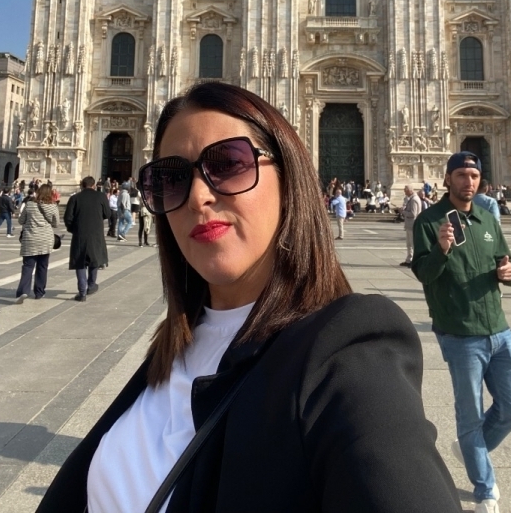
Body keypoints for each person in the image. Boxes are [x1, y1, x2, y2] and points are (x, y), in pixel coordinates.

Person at [37, 82, 461, 513]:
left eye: (228, 164)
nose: (198, 196)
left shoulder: (344, 353)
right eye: (171, 177)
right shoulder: (177, 344)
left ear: (290, 179)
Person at [412, 152, 511, 513]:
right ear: (448, 179)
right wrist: (442, 249)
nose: (469, 181)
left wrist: (508, 274)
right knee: (470, 414)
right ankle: (485, 490)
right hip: (460, 332)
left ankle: (471, 449)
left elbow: (503, 263)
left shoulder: (488, 217)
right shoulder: (430, 221)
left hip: (498, 329)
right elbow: (424, 273)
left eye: (474, 175)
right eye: (461, 174)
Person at [63, 176, 112, 302]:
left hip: (80, 234)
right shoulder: (101, 196)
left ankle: (82, 292)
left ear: (82, 185)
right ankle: (91, 285)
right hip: (96, 233)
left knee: (80, 261)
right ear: (94, 185)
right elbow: (108, 213)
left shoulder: (75, 198)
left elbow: (68, 218)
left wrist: (73, 229)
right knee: (94, 259)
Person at [15, 183, 59, 302]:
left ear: (38, 192)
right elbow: (56, 224)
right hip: (45, 240)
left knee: (28, 266)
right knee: (42, 266)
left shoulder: (30, 205)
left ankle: (23, 291)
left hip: (30, 239)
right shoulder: (53, 206)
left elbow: (21, 220)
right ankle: (39, 292)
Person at [400, 185, 422, 266]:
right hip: (410, 224)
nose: (405, 193)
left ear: (410, 191)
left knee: (412, 244)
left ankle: (413, 260)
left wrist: (403, 212)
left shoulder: (414, 199)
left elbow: (413, 213)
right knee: (409, 244)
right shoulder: (412, 199)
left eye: (405, 191)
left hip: (412, 224)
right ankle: (409, 259)